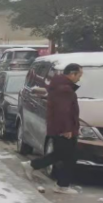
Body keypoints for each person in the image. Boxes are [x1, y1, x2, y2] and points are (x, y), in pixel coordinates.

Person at [23, 63, 83, 194]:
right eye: (79, 75)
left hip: (59, 127)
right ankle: (59, 184)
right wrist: (67, 129)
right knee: (65, 155)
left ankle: (62, 185)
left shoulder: (60, 85)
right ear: (72, 74)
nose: (79, 79)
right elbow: (63, 110)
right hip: (63, 129)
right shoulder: (64, 89)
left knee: (65, 155)